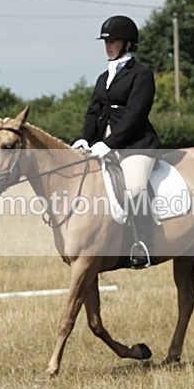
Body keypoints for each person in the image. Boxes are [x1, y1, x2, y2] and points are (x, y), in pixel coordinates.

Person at [71, 15, 161, 269]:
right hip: (104, 146)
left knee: (134, 188)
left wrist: (110, 143)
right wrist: (85, 138)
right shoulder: (103, 78)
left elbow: (135, 115)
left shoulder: (142, 75)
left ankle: (143, 244)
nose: (108, 46)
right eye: (106, 42)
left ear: (128, 44)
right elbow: (93, 112)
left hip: (135, 145)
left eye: (113, 42)